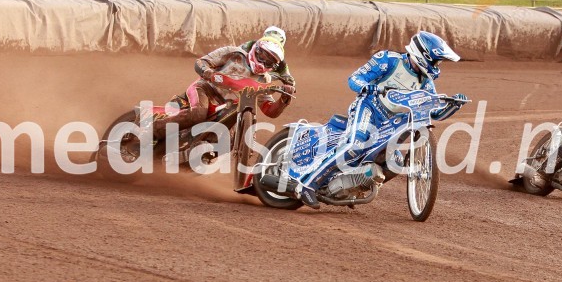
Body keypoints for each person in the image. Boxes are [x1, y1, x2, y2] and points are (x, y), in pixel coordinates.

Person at [292, 31, 467, 209]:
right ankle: (307, 185)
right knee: (356, 145)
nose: (437, 66)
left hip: (389, 124)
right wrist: (367, 87)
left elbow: (434, 113)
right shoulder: (388, 60)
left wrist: (453, 105)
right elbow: (354, 79)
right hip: (369, 108)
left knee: (395, 163)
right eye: (435, 61)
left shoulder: (426, 83)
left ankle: (351, 188)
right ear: (424, 56)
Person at [150, 36, 294, 140]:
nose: (264, 62)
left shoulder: (265, 80)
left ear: (274, 66)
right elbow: (202, 62)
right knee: (198, 114)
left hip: (231, 109)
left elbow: (269, 110)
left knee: (227, 140)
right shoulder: (233, 53)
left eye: (270, 61)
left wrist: (283, 100)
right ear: (255, 49)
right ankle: (152, 131)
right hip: (206, 90)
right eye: (263, 55)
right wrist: (208, 73)